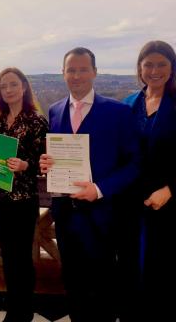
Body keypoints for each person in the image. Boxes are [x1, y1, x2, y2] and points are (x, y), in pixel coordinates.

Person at [39, 47, 140, 322]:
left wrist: (99, 189)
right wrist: (47, 163)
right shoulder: (55, 110)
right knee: (74, 285)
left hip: (103, 216)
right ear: (62, 73)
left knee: (103, 286)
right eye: (71, 69)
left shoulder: (118, 112)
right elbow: (56, 155)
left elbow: (134, 164)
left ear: (94, 72)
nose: (77, 75)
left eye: (83, 69)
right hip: (66, 215)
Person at [0, 67, 48, 322]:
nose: (8, 90)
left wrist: (25, 165)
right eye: (3, 86)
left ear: (24, 87)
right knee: (7, 255)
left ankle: (24, 310)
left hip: (24, 199)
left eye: (13, 85)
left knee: (22, 256)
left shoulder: (37, 121)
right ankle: (13, 308)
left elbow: (44, 161)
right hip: (0, 197)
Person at [123, 40, 176, 322]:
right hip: (130, 202)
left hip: (167, 204)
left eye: (162, 64)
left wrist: (170, 189)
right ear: (140, 68)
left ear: (172, 68)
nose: (155, 70)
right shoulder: (128, 105)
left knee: (163, 270)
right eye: (149, 64)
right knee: (131, 267)